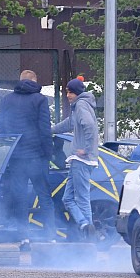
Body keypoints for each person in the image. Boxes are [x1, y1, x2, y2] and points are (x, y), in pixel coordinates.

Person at [0, 69, 55, 249]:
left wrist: (11, 149)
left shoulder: (6, 100)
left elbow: (0, 128)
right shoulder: (40, 100)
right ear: (35, 81)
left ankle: (24, 239)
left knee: (20, 199)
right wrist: (48, 154)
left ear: (20, 80)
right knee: (45, 197)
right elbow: (45, 129)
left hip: (16, 158)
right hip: (36, 157)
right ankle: (50, 238)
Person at [52, 76, 100, 240]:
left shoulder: (80, 105)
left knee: (81, 197)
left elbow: (90, 126)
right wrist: (50, 130)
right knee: (68, 199)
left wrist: (85, 149)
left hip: (82, 160)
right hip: (77, 160)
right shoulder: (80, 106)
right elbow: (69, 124)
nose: (68, 95)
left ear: (77, 92)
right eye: (66, 92)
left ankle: (88, 232)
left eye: (70, 92)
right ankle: (84, 225)